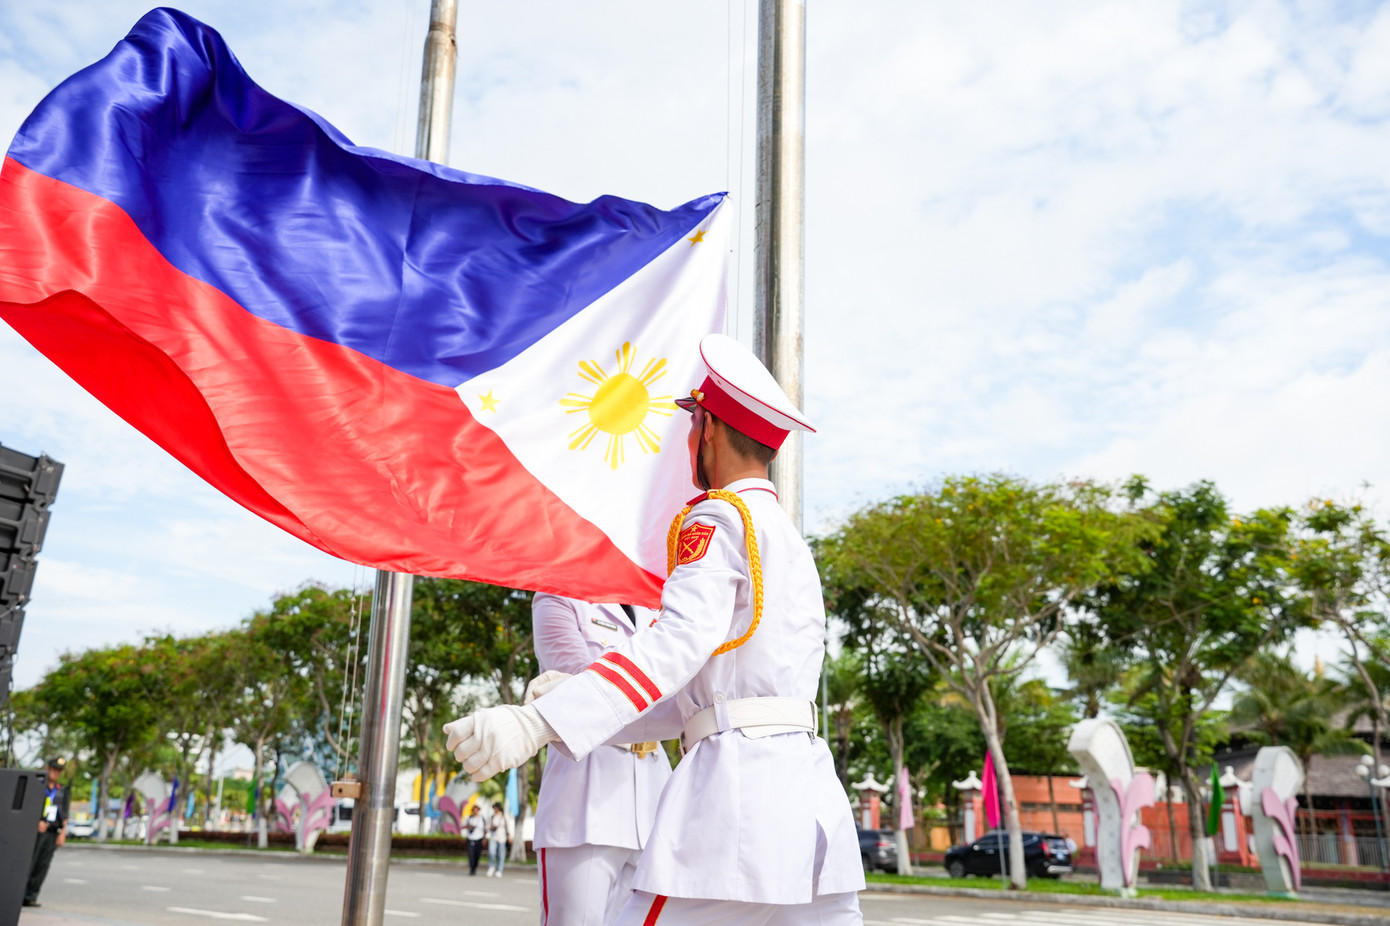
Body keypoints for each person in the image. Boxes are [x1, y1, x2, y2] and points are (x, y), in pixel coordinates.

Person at [446, 333, 865, 925]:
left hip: (733, 804)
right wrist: (566, 708)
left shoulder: (719, 518)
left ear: (709, 430)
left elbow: (675, 646)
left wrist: (536, 720)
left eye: (692, 423)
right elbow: (707, 702)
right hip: (806, 805)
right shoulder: (789, 541)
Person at [527, 594, 674, 924]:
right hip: (586, 797)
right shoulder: (557, 596)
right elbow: (578, 685)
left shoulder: (655, 604)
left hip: (653, 793)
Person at [25, 757, 71, 908]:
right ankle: (20, 894)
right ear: (48, 768)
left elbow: (64, 812)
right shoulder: (38, 786)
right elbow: (28, 806)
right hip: (35, 831)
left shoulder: (62, 790)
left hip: (52, 832)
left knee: (43, 865)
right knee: (28, 862)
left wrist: (62, 832)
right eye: (54, 768)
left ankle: (31, 895)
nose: (56, 772)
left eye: (59, 770)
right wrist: (35, 822)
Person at [486, 801, 511, 877]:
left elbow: (509, 826)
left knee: (501, 854)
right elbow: (487, 827)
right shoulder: (492, 817)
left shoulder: (504, 816)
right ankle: (491, 866)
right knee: (491, 852)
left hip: (502, 838)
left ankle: (499, 869)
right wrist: (491, 827)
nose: (495, 809)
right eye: (494, 808)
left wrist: (510, 835)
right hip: (493, 837)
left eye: (496, 807)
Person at [465, 803, 486, 875]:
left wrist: (484, 838)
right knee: (471, 855)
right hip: (470, 838)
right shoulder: (469, 818)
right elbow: (463, 826)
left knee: (477, 855)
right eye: (474, 810)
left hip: (479, 838)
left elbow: (484, 829)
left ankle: (475, 867)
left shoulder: (482, 819)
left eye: (477, 810)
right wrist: (469, 826)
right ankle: (471, 869)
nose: (475, 811)